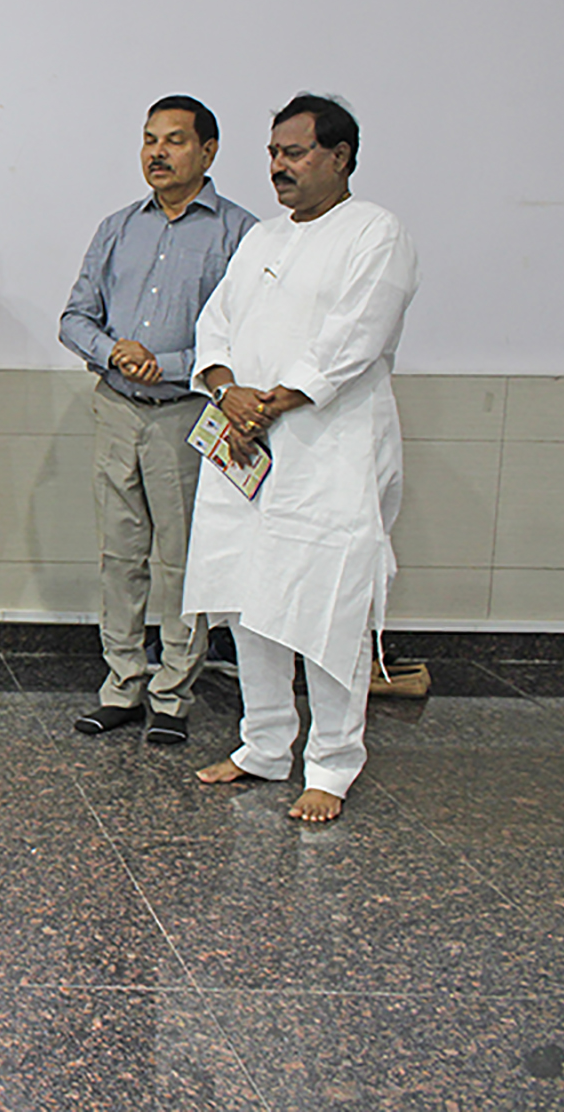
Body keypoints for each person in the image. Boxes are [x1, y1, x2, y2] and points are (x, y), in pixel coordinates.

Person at [188, 94, 419, 823]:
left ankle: (333, 762)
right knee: (252, 600)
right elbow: (215, 322)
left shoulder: (376, 234)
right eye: (273, 153)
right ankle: (263, 745)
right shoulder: (262, 239)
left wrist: (273, 402)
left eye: (294, 152)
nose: (278, 166)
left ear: (340, 156)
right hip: (246, 449)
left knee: (328, 606)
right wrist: (229, 392)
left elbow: (355, 339)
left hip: (329, 452)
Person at [59, 96, 258, 745]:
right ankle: (121, 685)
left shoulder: (239, 233)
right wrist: (112, 352)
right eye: (149, 139)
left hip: (185, 414)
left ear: (208, 150)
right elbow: (75, 318)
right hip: (117, 409)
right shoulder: (119, 226)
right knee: (121, 556)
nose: (157, 153)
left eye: (174, 141)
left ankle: (172, 694)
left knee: (178, 560)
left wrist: (167, 363)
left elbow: (245, 338)